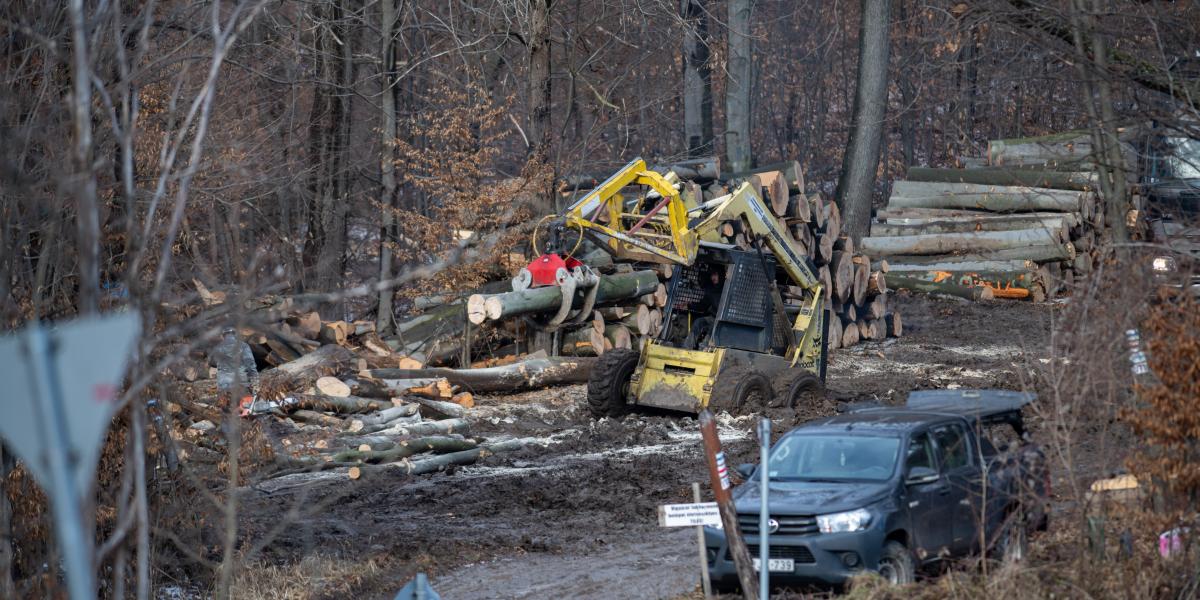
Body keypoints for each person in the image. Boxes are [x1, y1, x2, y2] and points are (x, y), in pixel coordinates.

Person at [212, 326, 259, 412]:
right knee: (247, 410)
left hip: (223, 385)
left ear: (223, 336)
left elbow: (213, 363)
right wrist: (255, 378)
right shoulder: (243, 345)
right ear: (235, 335)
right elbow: (250, 363)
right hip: (241, 383)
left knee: (227, 412)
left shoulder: (217, 348)